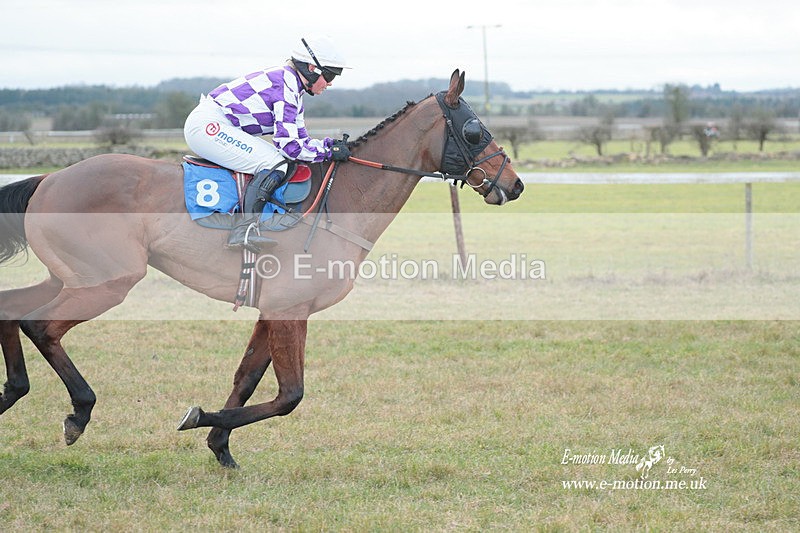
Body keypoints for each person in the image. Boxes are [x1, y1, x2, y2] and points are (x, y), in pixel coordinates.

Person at [183, 35, 352, 251]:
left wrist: (328, 146)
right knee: (276, 162)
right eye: (329, 76)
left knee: (278, 160)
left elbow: (301, 140)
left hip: (214, 124)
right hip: (208, 126)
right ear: (312, 68)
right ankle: (243, 231)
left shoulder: (293, 88)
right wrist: (328, 153)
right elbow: (290, 147)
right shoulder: (285, 86)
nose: (329, 83)